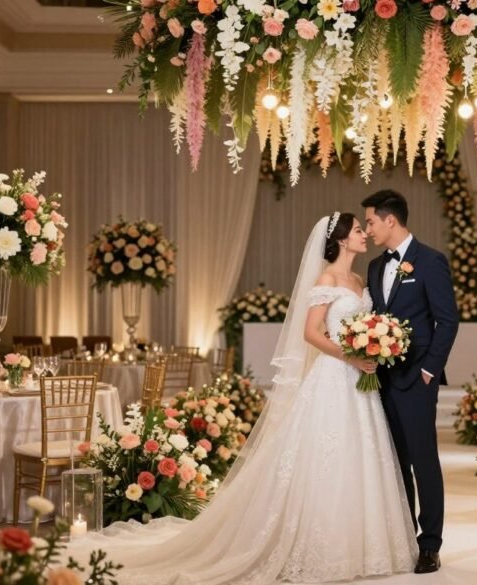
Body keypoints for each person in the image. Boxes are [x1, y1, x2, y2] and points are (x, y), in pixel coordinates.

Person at [66, 213, 417, 584]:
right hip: (334, 376)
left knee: (360, 454)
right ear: (343, 240)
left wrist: (373, 348)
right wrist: (350, 355)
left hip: (360, 381)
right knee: (324, 456)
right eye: (359, 230)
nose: (366, 234)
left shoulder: (360, 280)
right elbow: (311, 333)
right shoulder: (327, 278)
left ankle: (363, 546)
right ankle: (320, 547)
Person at [362, 189, 460, 574]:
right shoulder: (374, 267)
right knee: (394, 462)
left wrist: (428, 370)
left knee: (423, 461)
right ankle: (403, 535)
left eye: (371, 221)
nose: (368, 228)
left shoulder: (430, 261)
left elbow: (447, 321)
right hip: (379, 380)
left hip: (416, 378)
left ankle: (430, 545)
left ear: (390, 220)